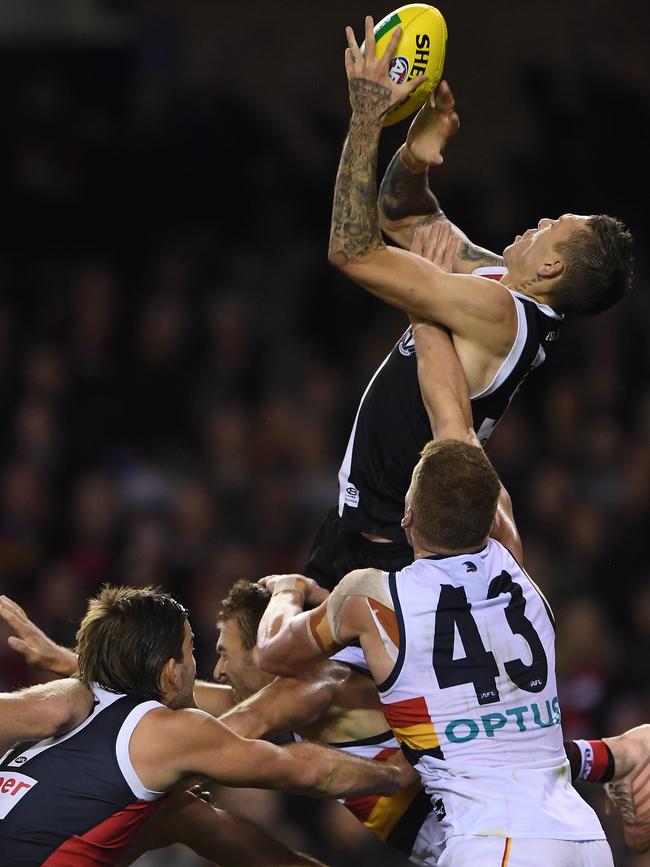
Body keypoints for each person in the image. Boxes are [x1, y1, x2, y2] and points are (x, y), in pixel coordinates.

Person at [304, 16, 634, 592]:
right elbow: (402, 217)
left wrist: (364, 117)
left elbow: (350, 249)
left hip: (385, 553)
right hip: (355, 529)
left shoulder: (502, 316)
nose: (541, 221)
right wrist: (415, 157)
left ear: (553, 268)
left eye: (553, 226)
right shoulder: (501, 286)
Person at [0, 585, 414, 866]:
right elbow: (302, 768)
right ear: (169, 673)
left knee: (188, 815)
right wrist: (395, 772)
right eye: (192, 651)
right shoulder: (163, 732)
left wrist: (60, 661)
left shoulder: (66, 699)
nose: (207, 669)